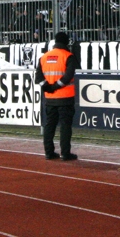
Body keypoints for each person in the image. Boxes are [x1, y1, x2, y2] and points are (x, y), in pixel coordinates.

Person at [35, 32, 78, 161]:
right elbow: (68, 76)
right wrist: (56, 86)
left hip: (50, 98)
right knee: (65, 126)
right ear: (66, 42)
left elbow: (38, 77)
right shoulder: (68, 56)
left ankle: (49, 152)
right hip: (65, 98)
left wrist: (47, 87)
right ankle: (65, 153)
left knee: (50, 125)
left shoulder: (44, 57)